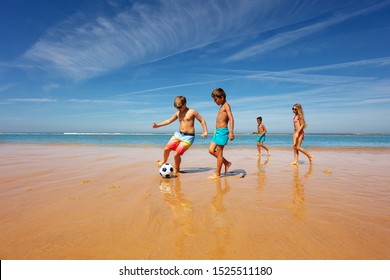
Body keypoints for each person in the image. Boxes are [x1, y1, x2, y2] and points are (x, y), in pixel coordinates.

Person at [153, 96, 208, 174]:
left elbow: (202, 120)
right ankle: (164, 161)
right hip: (178, 135)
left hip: (188, 137)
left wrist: (205, 131)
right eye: (176, 107)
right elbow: (169, 120)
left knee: (176, 154)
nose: (178, 109)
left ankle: (177, 169)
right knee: (166, 149)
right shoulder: (178, 113)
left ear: (185, 104)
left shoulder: (192, 112)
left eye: (179, 107)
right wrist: (158, 125)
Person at [208, 88, 234, 179]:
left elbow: (231, 118)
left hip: (223, 131)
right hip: (217, 132)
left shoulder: (226, 105)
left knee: (219, 153)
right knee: (211, 150)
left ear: (222, 97)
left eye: (215, 99)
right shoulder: (221, 106)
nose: (214, 101)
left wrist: (231, 131)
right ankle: (226, 163)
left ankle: (218, 173)